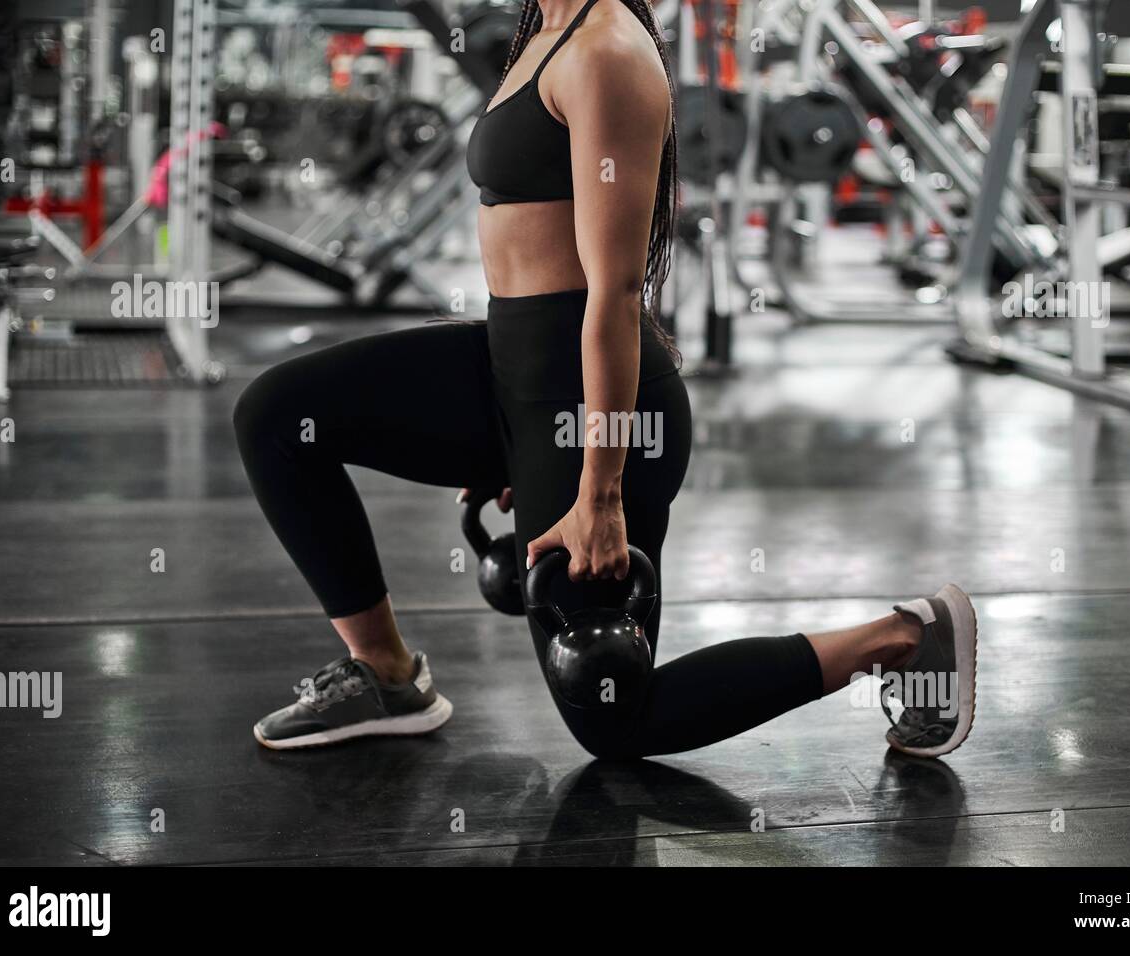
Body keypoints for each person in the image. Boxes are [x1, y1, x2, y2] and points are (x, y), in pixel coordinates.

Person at [233, 0, 977, 760]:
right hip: (508, 369)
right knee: (281, 416)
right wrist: (496, 437)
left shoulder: (608, 51)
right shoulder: (545, 31)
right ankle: (385, 673)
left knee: (619, 720)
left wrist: (599, 489)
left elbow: (615, 295)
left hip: (588, 400)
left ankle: (905, 638)